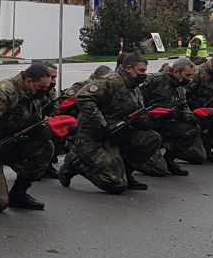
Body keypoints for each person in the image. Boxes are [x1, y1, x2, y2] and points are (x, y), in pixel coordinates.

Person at [57, 53, 161, 193]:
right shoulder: (111, 81)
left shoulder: (133, 87)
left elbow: (137, 114)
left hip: (116, 134)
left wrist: (157, 120)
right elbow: (82, 97)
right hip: (93, 137)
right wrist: (102, 124)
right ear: (129, 68)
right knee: (115, 184)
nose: (144, 74)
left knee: (151, 138)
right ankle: (75, 163)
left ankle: (126, 173)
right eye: (141, 70)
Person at [0, 63, 57, 211]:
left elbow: (35, 125)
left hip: (10, 145)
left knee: (45, 147)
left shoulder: (34, 95)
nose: (45, 91)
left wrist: (58, 131)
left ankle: (19, 193)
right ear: (29, 82)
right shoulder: (5, 91)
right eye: (42, 88)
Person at [140, 57, 205, 175]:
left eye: (191, 75)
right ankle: (141, 158)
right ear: (176, 72)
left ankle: (169, 159)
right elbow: (137, 102)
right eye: (187, 75)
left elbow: (183, 110)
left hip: (166, 124)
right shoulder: (155, 80)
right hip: (148, 125)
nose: (189, 79)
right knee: (159, 170)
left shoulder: (180, 87)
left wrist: (197, 115)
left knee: (192, 129)